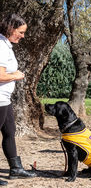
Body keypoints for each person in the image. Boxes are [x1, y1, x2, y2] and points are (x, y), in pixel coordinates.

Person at [0, 14, 36, 186]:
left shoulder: (6, 46)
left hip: (4, 99)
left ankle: (16, 169)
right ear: (10, 28)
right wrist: (15, 75)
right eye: (20, 32)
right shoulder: (0, 45)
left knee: (9, 132)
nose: (22, 36)